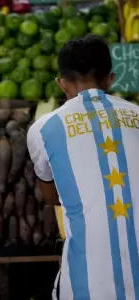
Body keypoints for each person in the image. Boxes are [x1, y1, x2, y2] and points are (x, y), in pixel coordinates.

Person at [27, 35, 139, 300]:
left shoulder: (42, 129)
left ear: (61, 84)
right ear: (111, 79)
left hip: (86, 288)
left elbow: (50, 196)